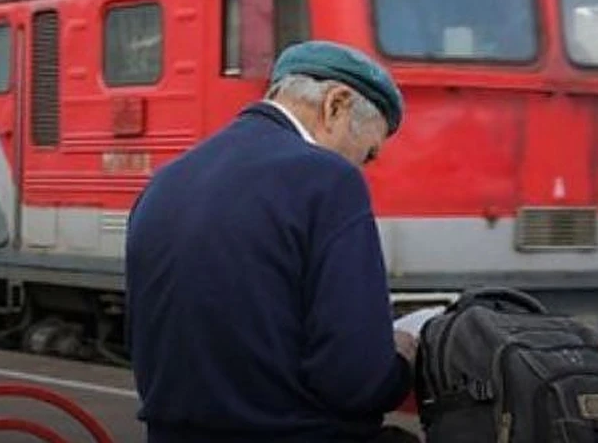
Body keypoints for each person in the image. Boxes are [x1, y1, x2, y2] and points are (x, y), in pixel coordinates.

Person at [125, 40, 420, 443]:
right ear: (336, 105)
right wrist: (402, 355)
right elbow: (356, 381)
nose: (361, 168)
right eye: (367, 154)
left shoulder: (165, 181)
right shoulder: (328, 180)